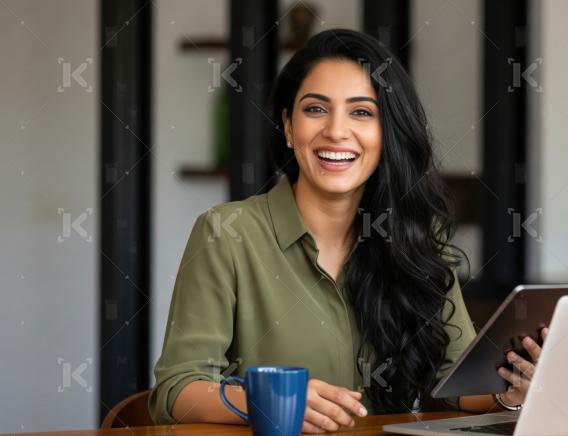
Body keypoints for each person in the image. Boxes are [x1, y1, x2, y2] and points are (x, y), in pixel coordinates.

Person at [148, 28, 543, 433]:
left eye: (361, 112)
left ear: (386, 133)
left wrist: (507, 392)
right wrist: (268, 401)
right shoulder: (226, 233)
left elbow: (454, 381)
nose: (336, 131)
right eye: (315, 109)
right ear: (287, 126)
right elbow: (177, 391)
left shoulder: (417, 239)